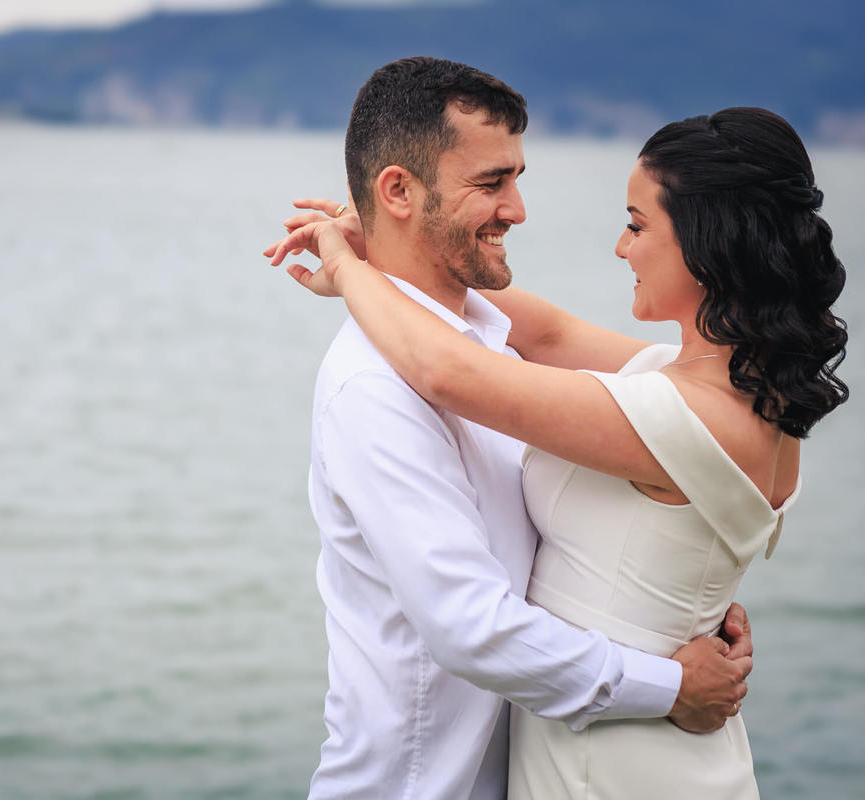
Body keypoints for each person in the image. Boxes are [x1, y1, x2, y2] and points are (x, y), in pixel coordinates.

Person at [268, 70, 848, 800]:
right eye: (493, 182)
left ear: (709, 246)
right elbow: (542, 335)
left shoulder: (684, 412)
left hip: (619, 767)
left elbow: (450, 371)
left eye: (637, 225)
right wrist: (383, 257)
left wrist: (353, 268)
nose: (619, 247)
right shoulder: (722, 388)